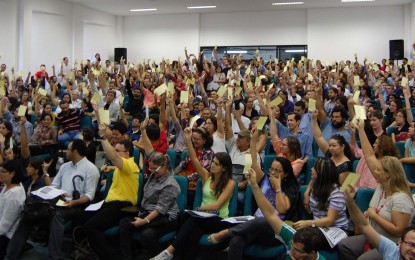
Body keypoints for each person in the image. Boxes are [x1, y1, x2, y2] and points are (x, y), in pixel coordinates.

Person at [207, 129, 299, 260]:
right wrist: (254, 139)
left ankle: (225, 233)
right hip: (255, 225)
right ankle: (230, 236)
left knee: (263, 220)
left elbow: (282, 209)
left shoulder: (290, 189)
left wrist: (277, 188)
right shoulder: (265, 179)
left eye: (277, 171)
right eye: (272, 169)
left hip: (276, 231)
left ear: (286, 174)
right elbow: (254, 162)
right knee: (237, 240)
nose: (273, 173)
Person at [5, 140, 100, 260]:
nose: (67, 151)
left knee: (57, 215)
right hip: (57, 200)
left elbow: (89, 195)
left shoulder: (91, 169)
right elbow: (54, 186)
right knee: (29, 212)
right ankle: (11, 255)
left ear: (75, 152)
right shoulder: (65, 166)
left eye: (68, 149)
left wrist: (74, 202)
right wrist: (46, 192)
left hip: (76, 205)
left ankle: (54, 256)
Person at [151, 127, 235, 260]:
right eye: (212, 161)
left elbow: (217, 205)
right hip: (201, 217)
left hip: (219, 219)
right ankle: (180, 255)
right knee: (191, 228)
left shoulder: (230, 183)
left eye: (216, 164)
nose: (212, 165)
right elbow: (194, 159)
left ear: (224, 168)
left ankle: (169, 251)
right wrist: (188, 139)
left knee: (192, 219)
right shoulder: (207, 176)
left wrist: (198, 209)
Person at [338, 119, 415, 260]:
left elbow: (399, 231)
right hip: (372, 236)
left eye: (378, 170)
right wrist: (361, 129)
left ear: (388, 174)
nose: (375, 171)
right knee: (344, 245)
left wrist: (374, 216)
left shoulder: (401, 198)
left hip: (389, 243)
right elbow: (369, 156)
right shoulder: (382, 185)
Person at [73, 124, 140, 260]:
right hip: (109, 203)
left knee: (91, 227)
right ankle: (87, 248)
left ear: (127, 154)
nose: (115, 152)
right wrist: (110, 168)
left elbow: (115, 159)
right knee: (79, 216)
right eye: (114, 150)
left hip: (123, 206)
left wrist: (103, 136)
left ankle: (106, 256)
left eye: (118, 151)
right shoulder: (120, 167)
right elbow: (116, 164)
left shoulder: (131, 165)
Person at [119, 121, 180, 259]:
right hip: (148, 212)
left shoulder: (170, 184)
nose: (151, 171)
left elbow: (160, 209)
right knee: (124, 224)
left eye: (155, 169)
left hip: (165, 218)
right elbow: (149, 150)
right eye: (150, 168)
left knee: (147, 235)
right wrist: (142, 130)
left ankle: (160, 257)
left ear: (164, 166)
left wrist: (144, 221)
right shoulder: (155, 169)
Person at [244, 167, 324, 259]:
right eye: (292, 247)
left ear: (312, 253)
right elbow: (270, 214)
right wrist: (254, 185)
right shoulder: (291, 237)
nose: (291, 252)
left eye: (297, 251)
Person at [343, 185, 415, 260]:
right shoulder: (391, 250)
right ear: (400, 243)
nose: (414, 251)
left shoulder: (401, 199)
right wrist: (349, 201)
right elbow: (364, 225)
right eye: (411, 244)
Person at [299, 158, 349, 250]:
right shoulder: (316, 184)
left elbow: (330, 220)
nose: (311, 169)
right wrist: (306, 193)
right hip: (319, 227)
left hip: (336, 230)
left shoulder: (336, 192)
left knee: (304, 238)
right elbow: (311, 182)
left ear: (321, 173)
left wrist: (309, 223)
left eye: (314, 167)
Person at [311, 110, 352, 184]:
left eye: (334, 146)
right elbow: (318, 137)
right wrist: (313, 119)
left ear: (342, 147)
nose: (331, 148)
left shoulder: (346, 165)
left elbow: (341, 187)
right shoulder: (329, 153)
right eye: (329, 145)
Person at [0, 160, 26, 259]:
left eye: (3, 171)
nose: (0, 173)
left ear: (12, 173)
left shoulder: (14, 195)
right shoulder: (8, 186)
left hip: (6, 237)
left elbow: (3, 227)